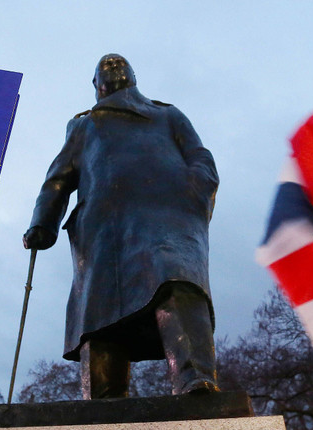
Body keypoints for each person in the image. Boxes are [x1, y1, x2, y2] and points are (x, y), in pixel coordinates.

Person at [23, 53, 219, 399]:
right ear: (96, 86)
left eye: (118, 64)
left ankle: (194, 379)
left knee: (176, 280)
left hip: (167, 213)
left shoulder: (167, 114)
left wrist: (196, 186)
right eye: (104, 67)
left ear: (133, 76)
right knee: (100, 314)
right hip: (103, 229)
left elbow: (199, 154)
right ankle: (102, 401)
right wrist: (44, 221)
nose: (111, 65)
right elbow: (58, 179)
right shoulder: (84, 125)